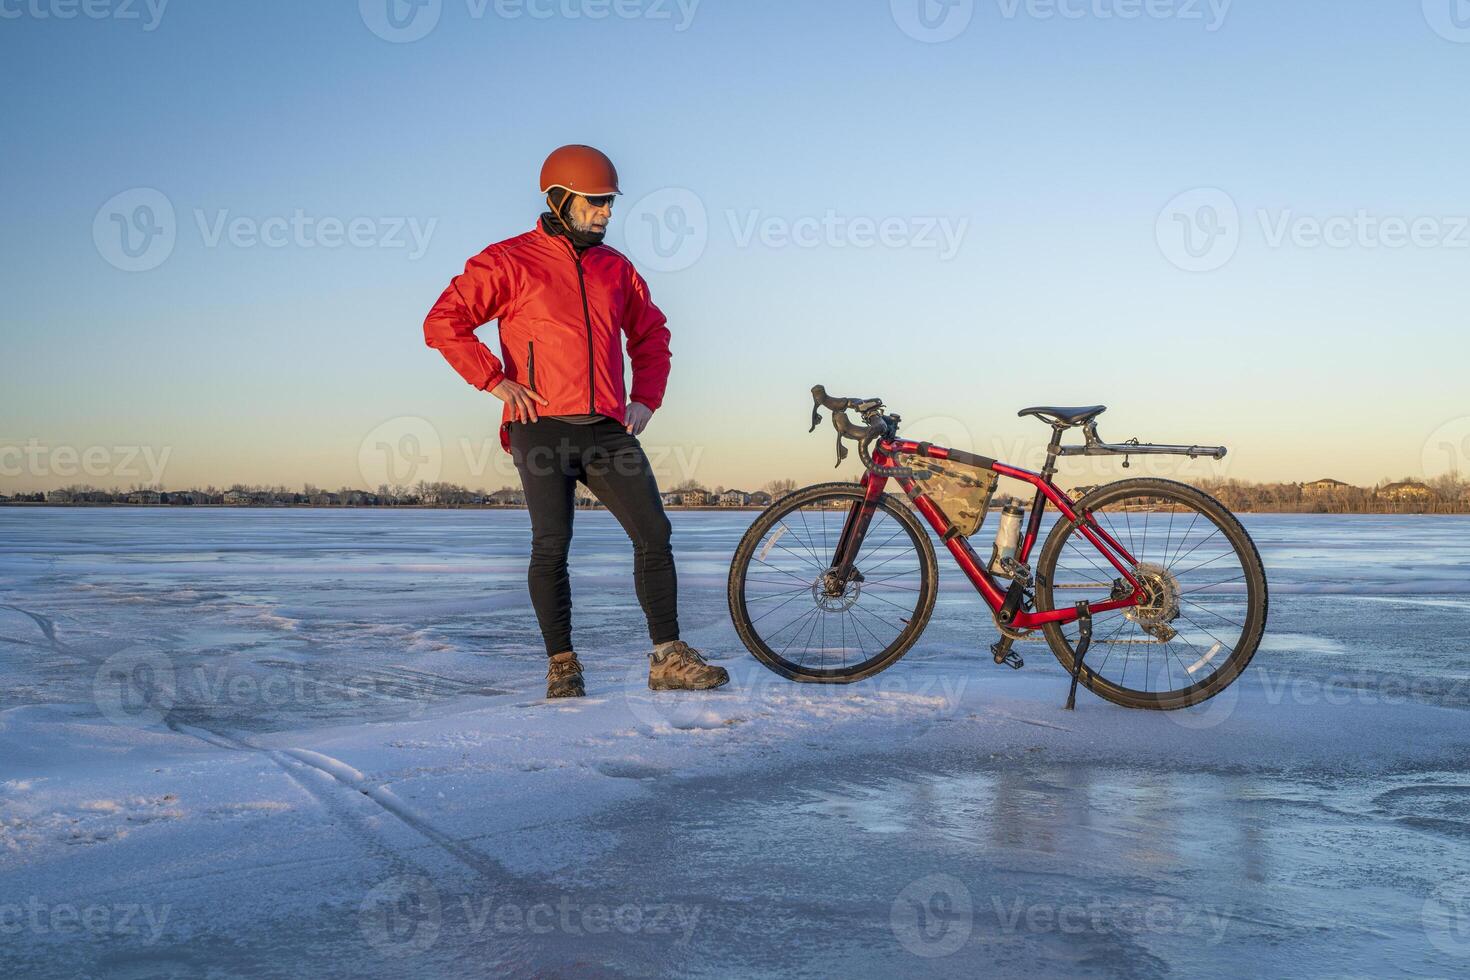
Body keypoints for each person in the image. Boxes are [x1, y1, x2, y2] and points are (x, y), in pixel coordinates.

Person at [423, 144, 729, 699]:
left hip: (607, 429)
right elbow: (444, 321)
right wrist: (494, 379)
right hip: (540, 427)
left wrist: (646, 398)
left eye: (609, 203)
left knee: (654, 532)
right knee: (552, 545)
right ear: (560, 199)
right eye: (595, 202)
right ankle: (562, 663)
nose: (606, 212)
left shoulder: (616, 269)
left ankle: (668, 656)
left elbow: (651, 335)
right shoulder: (510, 261)